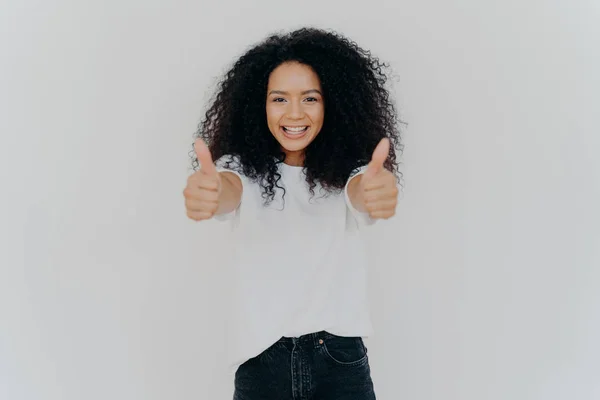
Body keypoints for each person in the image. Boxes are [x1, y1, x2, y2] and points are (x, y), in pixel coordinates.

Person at [183, 27, 401, 400]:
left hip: (339, 357)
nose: (295, 113)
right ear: (258, 104)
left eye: (310, 98)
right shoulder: (241, 169)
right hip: (261, 360)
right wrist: (211, 192)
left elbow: (360, 190)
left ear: (333, 104)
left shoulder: (349, 168)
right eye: (279, 99)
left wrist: (373, 191)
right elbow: (228, 189)